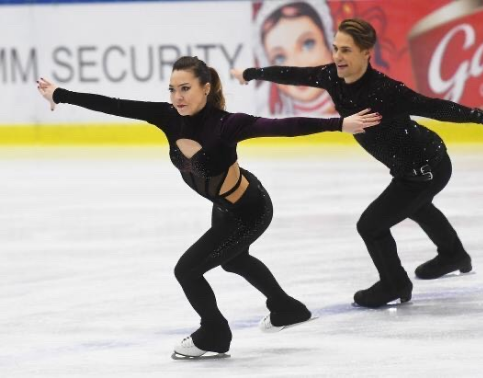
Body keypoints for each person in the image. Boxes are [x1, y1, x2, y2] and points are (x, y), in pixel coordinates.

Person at [37, 56, 380, 357]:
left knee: (187, 270)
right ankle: (286, 308)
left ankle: (215, 334)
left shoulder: (228, 124)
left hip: (250, 209)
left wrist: (339, 124)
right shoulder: (167, 117)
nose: (177, 97)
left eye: (185, 88)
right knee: (233, 260)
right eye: (172, 89)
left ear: (205, 87)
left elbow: (284, 127)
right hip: (225, 206)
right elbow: (113, 103)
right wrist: (60, 95)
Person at [231, 19, 483, 309]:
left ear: (366, 53)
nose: (337, 56)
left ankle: (394, 283)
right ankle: (453, 255)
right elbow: (293, 74)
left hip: (426, 167)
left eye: (346, 50)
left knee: (371, 225)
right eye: (335, 48)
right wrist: (252, 72)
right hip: (411, 167)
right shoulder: (331, 76)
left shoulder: (386, 91)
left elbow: (434, 106)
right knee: (417, 206)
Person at [253, 0, 336, 116]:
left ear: (328, 43)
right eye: (279, 58)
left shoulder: (360, 104)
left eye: (308, 44)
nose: (296, 65)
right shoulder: (262, 115)